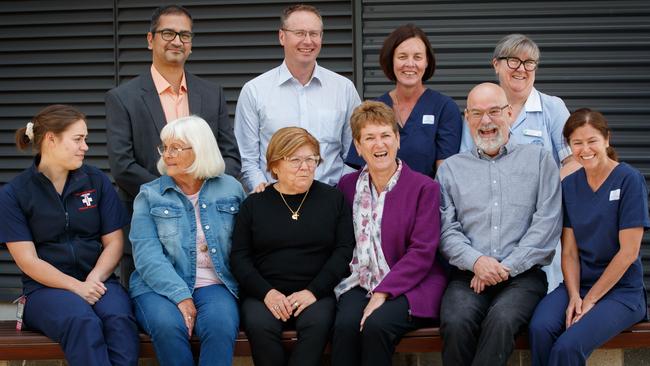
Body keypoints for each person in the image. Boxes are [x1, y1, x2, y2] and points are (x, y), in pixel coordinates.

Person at [105, 4, 240, 284]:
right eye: (168, 33)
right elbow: (123, 165)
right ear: (150, 39)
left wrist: (203, 191)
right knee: (154, 315)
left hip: (210, 225)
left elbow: (229, 155)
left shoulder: (211, 93)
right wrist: (172, 191)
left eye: (185, 35)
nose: (177, 41)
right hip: (151, 221)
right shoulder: (123, 97)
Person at [0, 105, 139, 366]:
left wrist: (93, 279)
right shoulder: (14, 194)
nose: (85, 146)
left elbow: (114, 242)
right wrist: (77, 287)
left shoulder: (96, 181)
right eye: (78, 139)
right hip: (44, 291)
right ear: (50, 139)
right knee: (82, 321)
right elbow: (27, 260)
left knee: (118, 319)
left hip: (98, 281)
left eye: (85, 139)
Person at [437, 83, 562, 366]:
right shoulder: (450, 170)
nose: (486, 122)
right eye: (478, 114)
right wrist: (477, 261)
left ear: (508, 114)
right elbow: (446, 229)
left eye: (494, 112)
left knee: (502, 320)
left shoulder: (540, 160)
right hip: (468, 275)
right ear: (467, 118)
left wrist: (503, 268)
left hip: (523, 276)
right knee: (456, 322)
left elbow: (547, 224)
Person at [529, 108, 649, 366]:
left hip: (621, 292)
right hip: (579, 285)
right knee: (540, 329)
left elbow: (628, 253)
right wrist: (574, 296)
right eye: (577, 143)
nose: (585, 149)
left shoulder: (629, 180)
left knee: (567, 346)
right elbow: (570, 252)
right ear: (569, 147)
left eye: (592, 141)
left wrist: (590, 300)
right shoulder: (569, 185)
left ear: (607, 139)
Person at [332, 101, 447, 366]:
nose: (379, 144)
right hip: (360, 280)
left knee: (376, 325)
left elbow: (422, 252)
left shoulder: (424, 187)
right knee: (346, 326)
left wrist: (383, 293)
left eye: (385, 135)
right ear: (358, 148)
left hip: (413, 284)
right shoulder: (346, 187)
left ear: (397, 140)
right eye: (369, 138)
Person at [461, 34, 579, 292]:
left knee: (541, 304)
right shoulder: (479, 109)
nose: (521, 69)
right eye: (513, 61)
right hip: (490, 231)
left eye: (529, 63)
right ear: (496, 65)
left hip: (539, 226)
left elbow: (573, 162)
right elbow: (467, 168)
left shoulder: (552, 108)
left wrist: (542, 192)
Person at [231, 127, 355, 366]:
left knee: (317, 327)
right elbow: (239, 257)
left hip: (316, 293)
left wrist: (313, 292)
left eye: (311, 159)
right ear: (275, 165)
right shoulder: (254, 204)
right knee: (260, 328)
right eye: (295, 160)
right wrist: (267, 293)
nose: (305, 166)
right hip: (263, 294)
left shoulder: (333, 199)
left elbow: (343, 251)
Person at [128, 115, 244, 366]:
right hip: (157, 288)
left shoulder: (231, 189)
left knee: (220, 326)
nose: (167, 154)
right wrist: (181, 295)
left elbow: (246, 246)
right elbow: (147, 257)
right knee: (168, 326)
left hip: (216, 283)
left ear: (200, 150)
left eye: (176, 148)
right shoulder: (150, 195)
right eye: (165, 147)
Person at [235, 4, 361, 192]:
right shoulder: (254, 91)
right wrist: (264, 194)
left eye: (314, 33)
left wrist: (339, 193)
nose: (308, 41)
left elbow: (355, 153)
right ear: (282, 37)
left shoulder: (344, 89)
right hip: (275, 203)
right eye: (300, 33)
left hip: (332, 200)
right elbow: (247, 160)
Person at [345, 24, 462, 177]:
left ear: (427, 62)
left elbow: (445, 174)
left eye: (417, 57)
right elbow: (359, 169)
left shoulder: (444, 108)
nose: (410, 64)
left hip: (426, 198)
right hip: (379, 199)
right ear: (391, 60)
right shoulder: (373, 109)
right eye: (402, 57)